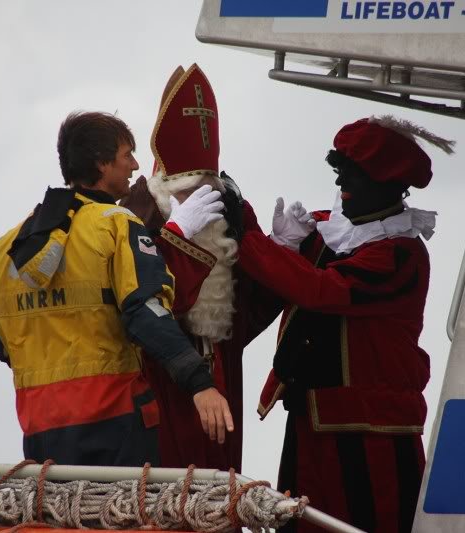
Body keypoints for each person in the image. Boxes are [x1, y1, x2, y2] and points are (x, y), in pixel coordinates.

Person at [237, 116, 454, 533]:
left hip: (370, 430)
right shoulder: (327, 231)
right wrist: (283, 242)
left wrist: (251, 237)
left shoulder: (400, 254)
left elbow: (322, 290)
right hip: (312, 418)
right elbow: (278, 282)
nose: (343, 187)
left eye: (355, 176)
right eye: (340, 174)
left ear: (390, 186)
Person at [0, 111, 233, 467]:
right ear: (102, 164)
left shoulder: (3, 248)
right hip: (114, 422)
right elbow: (147, 314)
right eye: (126, 155)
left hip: (40, 429)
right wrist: (200, 385)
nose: (134, 166)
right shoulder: (117, 225)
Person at [121, 64, 282, 471]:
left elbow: (243, 320)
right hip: (164, 385)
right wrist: (177, 235)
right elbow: (144, 304)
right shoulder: (135, 218)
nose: (203, 201)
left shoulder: (228, 219)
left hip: (222, 382)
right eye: (191, 192)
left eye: (209, 191)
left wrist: (283, 252)